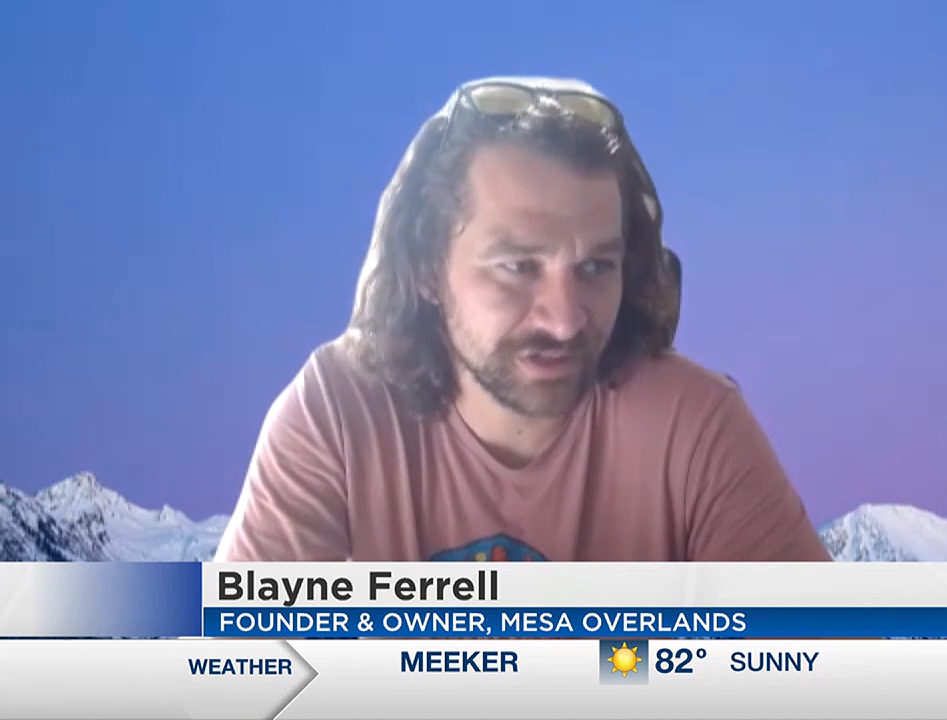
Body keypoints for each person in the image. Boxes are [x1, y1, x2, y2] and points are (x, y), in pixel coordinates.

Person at [215, 77, 831, 562]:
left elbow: (830, 672)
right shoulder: (337, 415)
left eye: (595, 268)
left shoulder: (693, 427)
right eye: (517, 266)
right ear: (429, 265)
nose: (564, 322)